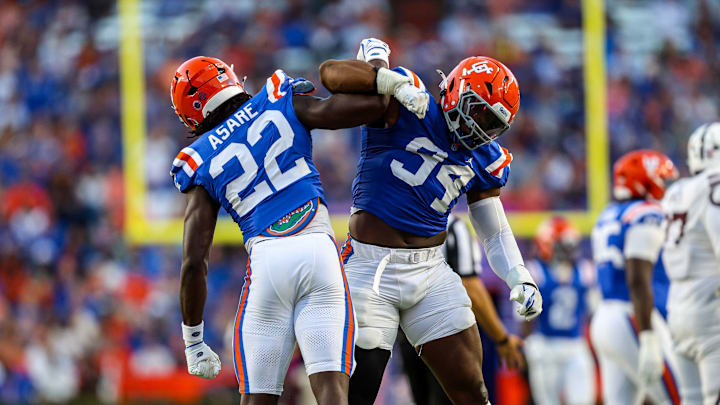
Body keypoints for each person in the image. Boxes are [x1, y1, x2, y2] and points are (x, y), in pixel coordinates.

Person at [168, 56, 426, 405]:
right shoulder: (277, 97)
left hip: (267, 261)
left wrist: (193, 340)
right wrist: (382, 77)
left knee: (257, 398)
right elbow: (364, 110)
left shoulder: (199, 158)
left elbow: (193, 262)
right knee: (333, 392)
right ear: (230, 79)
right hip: (318, 249)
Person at [319, 38, 543, 405]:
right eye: (479, 112)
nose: (481, 128)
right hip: (370, 267)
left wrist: (519, 275)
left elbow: (493, 227)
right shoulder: (409, 102)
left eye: (492, 123)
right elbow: (331, 74)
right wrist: (387, 79)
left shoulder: (484, 157)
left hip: (431, 272)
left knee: (472, 390)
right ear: (456, 92)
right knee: (359, 391)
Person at [398, 214, 525, 405]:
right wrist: (502, 338)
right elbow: (469, 286)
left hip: (406, 330)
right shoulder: (453, 228)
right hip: (443, 331)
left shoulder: (397, 221)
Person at [590, 150, 681, 404]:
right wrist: (648, 336)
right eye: (663, 179)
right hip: (632, 317)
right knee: (681, 397)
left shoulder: (609, 214)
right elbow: (637, 279)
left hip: (606, 317)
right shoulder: (646, 214)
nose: (667, 186)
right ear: (646, 181)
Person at [661, 123, 720, 404]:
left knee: (691, 400)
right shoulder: (714, 186)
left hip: (678, 307)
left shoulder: (676, 191)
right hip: (711, 308)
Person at [524, 216, 596, 405]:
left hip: (575, 344)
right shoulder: (535, 271)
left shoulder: (584, 270)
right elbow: (524, 318)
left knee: (583, 400)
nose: (570, 250)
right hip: (545, 344)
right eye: (564, 245)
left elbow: (592, 311)